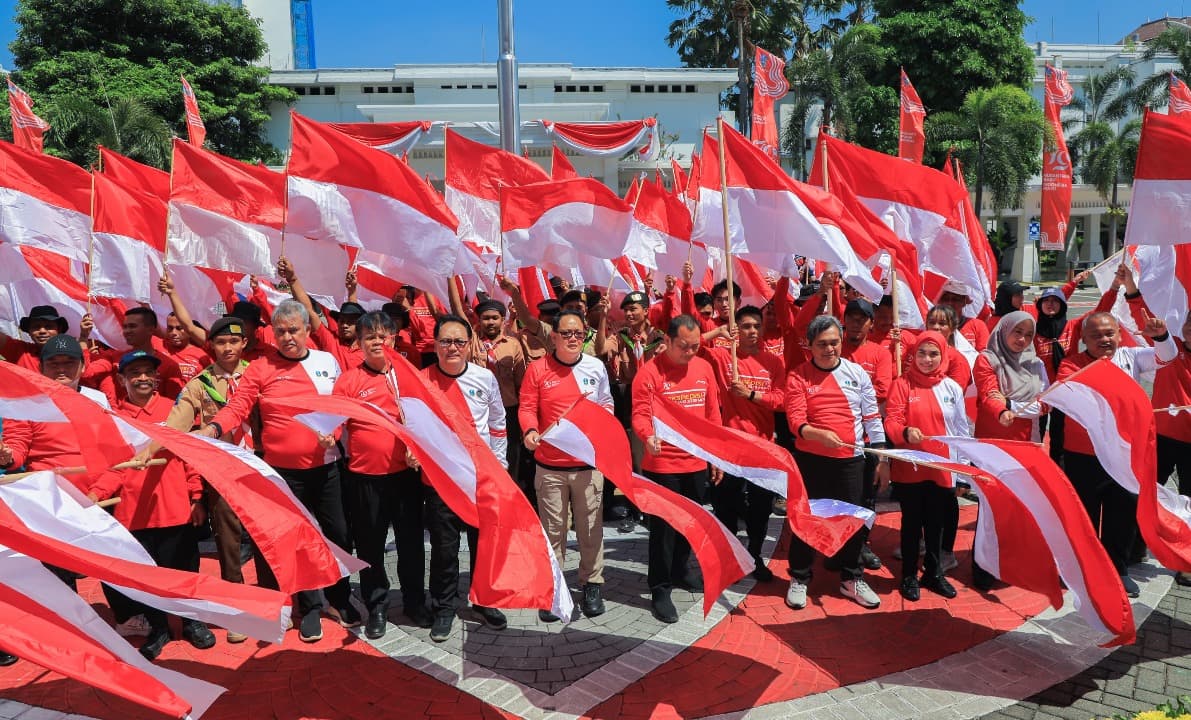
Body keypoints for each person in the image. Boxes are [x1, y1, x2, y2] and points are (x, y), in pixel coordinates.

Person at [199, 299, 358, 642]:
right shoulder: (260, 367)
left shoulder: (326, 362)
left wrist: (336, 433)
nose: (287, 337)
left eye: (294, 331)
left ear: (306, 331)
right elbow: (238, 407)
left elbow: (342, 407)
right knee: (298, 542)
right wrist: (213, 428)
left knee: (338, 536)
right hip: (284, 476)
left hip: (327, 468)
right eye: (281, 331)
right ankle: (311, 608)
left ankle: (340, 598)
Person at [87, 350, 216, 661]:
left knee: (186, 571)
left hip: (175, 510)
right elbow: (112, 467)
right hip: (135, 516)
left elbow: (190, 456)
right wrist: (95, 495)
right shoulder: (114, 420)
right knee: (148, 578)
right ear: (122, 380)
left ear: (156, 377)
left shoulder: (175, 410)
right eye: (135, 373)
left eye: (148, 372)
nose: (142, 378)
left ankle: (191, 622)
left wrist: (196, 496)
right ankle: (158, 628)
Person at [1058, 310, 1178, 597]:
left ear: (1119, 334)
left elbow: (1168, 356)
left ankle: (1117, 568)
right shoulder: (1070, 364)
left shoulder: (1131, 357)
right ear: (1084, 339)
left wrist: (1160, 335)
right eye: (1096, 335)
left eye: (1110, 333)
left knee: (1121, 513)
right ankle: (1082, 568)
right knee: (1084, 515)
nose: (1104, 339)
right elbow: (1069, 397)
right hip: (1083, 454)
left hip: (1124, 454)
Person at [333, 311, 431, 639]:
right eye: (371, 337)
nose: (378, 342)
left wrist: (416, 446)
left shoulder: (407, 377)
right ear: (359, 344)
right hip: (364, 479)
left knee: (411, 543)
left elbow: (424, 422)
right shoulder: (348, 381)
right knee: (371, 546)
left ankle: (415, 601)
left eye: (384, 336)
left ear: (394, 340)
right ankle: (377, 604)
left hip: (405, 478)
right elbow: (334, 423)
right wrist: (325, 435)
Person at [159, 316, 256, 643]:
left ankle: (276, 600)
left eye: (233, 341)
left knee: (268, 537)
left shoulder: (256, 374)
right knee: (228, 543)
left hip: (263, 467)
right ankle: (237, 611)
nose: (227, 347)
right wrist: (152, 444)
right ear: (211, 346)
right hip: (223, 471)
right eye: (220, 342)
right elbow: (177, 422)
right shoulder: (200, 384)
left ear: (244, 343)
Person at [784, 316, 889, 610]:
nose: (829, 349)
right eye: (821, 344)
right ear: (809, 345)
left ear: (841, 341)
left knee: (852, 522)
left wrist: (881, 459)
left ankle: (851, 578)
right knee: (805, 520)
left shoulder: (857, 373)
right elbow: (795, 422)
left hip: (851, 462)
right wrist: (818, 434)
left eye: (834, 342)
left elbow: (872, 419)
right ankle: (800, 578)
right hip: (811, 461)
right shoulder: (798, 376)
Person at [520, 310, 615, 622]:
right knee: (553, 531)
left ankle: (591, 584)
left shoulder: (595, 367)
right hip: (550, 467)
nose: (573, 338)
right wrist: (530, 431)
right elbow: (527, 408)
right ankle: (555, 587)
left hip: (587, 465)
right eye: (566, 333)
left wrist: (603, 423)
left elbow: (606, 403)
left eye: (578, 333)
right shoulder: (537, 369)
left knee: (591, 529)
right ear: (554, 337)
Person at [421, 314, 509, 641]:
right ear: (435, 345)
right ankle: (444, 607)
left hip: (481, 479)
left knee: (484, 545)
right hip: (442, 481)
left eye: (459, 341)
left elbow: (499, 425)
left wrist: (499, 468)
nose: (452, 348)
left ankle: (484, 601)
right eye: (446, 341)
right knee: (444, 549)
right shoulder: (421, 380)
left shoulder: (485, 379)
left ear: (469, 344)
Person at [632, 314, 722, 622]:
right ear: (667, 341)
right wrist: (647, 436)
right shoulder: (649, 373)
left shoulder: (704, 368)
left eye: (695, 346)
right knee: (663, 529)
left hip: (695, 461)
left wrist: (715, 456)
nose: (690, 352)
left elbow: (712, 415)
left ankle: (681, 570)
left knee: (691, 523)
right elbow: (640, 414)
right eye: (684, 346)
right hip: (663, 463)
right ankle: (659, 586)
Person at [884, 332, 969, 601]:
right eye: (922, 353)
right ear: (913, 355)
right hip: (910, 469)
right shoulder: (902, 384)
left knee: (936, 524)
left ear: (943, 355)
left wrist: (963, 470)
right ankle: (909, 575)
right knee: (911, 524)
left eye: (933, 354)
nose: (927, 359)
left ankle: (933, 573)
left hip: (942, 469)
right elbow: (892, 422)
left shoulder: (952, 388)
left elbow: (961, 431)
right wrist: (905, 433)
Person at [702, 307, 783, 581]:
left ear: (762, 329)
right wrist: (719, 332)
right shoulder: (724, 357)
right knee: (725, 506)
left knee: (760, 508)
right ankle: (729, 557)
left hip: (761, 446)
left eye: (756, 326)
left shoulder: (774, 362)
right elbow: (691, 344)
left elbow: (782, 400)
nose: (751, 331)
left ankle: (755, 555)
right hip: (728, 446)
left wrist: (751, 395)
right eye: (745, 326)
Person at [0, 335, 111, 486]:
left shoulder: (99, 399)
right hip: (49, 496)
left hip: (99, 496)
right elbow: (17, 444)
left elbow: (112, 448)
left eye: (69, 363)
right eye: (53, 363)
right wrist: (7, 457)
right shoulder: (24, 403)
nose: (61, 369)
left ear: (83, 366)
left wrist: (100, 491)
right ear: (41, 367)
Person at [840, 298, 892, 572]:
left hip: (868, 438)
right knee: (839, 494)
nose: (857, 323)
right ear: (844, 320)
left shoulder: (880, 353)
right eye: (852, 317)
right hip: (837, 437)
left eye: (863, 319)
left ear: (871, 324)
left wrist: (846, 395)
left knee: (866, 496)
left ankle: (861, 543)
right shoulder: (834, 348)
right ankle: (839, 543)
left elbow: (882, 390)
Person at [1154, 313, 1191, 585]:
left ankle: (1186, 560)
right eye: (1189, 321)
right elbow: (1145, 320)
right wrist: (1129, 287)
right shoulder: (1170, 348)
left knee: (1189, 501)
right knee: (1147, 491)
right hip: (1162, 436)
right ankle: (1134, 547)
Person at [83, 307, 185, 405]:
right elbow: (86, 372)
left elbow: (176, 404)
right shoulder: (114, 358)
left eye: (132, 326)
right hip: (122, 421)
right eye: (125, 327)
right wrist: (83, 337)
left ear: (150, 329)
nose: (127, 331)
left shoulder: (169, 366)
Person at [0, 304, 87, 372]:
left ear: (59, 330)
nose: (42, 331)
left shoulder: (71, 354)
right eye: (36, 327)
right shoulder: (20, 352)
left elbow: (85, 373)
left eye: (48, 326)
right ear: (29, 331)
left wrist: (83, 337)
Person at [937, 281, 990, 352]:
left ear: (964, 302)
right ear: (940, 302)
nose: (950, 303)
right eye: (945, 299)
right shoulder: (934, 325)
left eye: (955, 299)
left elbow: (984, 354)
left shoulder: (977, 325)